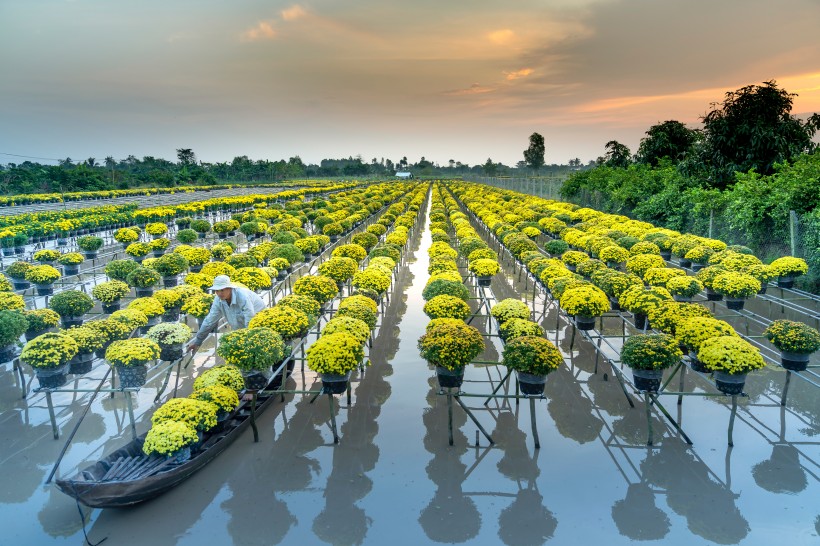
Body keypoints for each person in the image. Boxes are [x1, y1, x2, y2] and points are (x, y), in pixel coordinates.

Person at [186, 275, 267, 353]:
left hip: (260, 324)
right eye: (217, 291)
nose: (220, 293)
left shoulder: (242, 297)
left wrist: (246, 340)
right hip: (241, 327)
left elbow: (250, 319)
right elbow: (209, 321)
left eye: (222, 290)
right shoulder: (218, 300)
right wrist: (197, 342)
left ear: (230, 288)